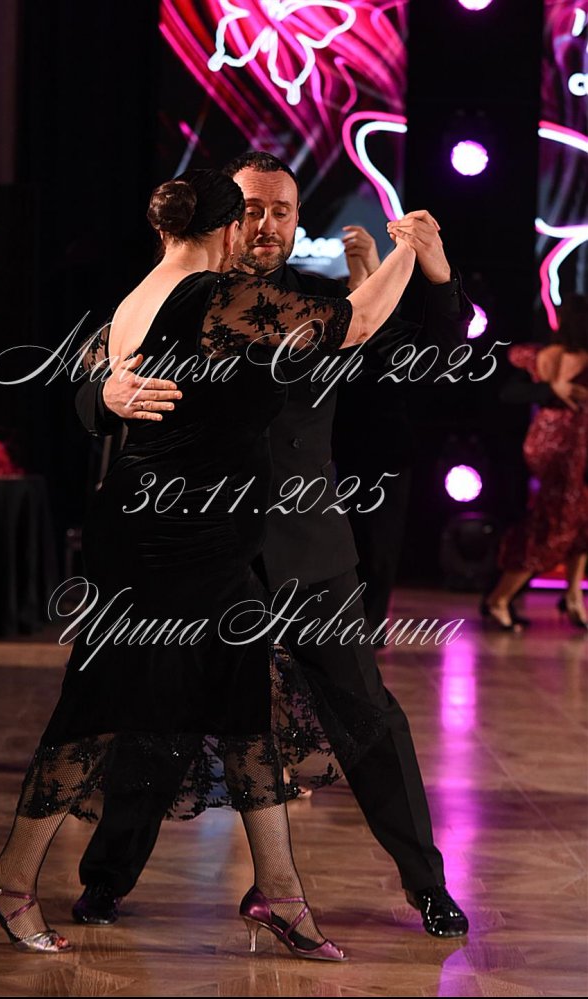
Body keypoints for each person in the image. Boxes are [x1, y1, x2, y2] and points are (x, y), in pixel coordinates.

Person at [0, 168, 420, 959]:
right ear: (227, 229)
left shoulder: (144, 292)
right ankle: (9, 877)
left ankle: (280, 891)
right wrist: (408, 246)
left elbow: (114, 368)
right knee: (96, 709)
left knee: (244, 708)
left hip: (190, 536)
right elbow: (356, 323)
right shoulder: (214, 297)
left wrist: (110, 389)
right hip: (169, 544)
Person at [73, 152, 472, 938]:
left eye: (280, 211)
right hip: (201, 545)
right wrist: (106, 395)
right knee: (162, 714)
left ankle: (427, 884)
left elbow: (428, 355)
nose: (263, 224)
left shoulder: (323, 300)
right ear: (224, 217)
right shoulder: (181, 292)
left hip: (306, 546)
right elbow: (92, 376)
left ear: (296, 221)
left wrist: (433, 270)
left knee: (368, 716)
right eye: (249, 209)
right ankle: (106, 879)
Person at [484, 294, 588, 630]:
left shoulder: (542, 355)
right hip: (569, 448)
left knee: (580, 521)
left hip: (543, 437)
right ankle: (499, 597)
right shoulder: (581, 359)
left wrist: (550, 387)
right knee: (557, 525)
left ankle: (573, 596)